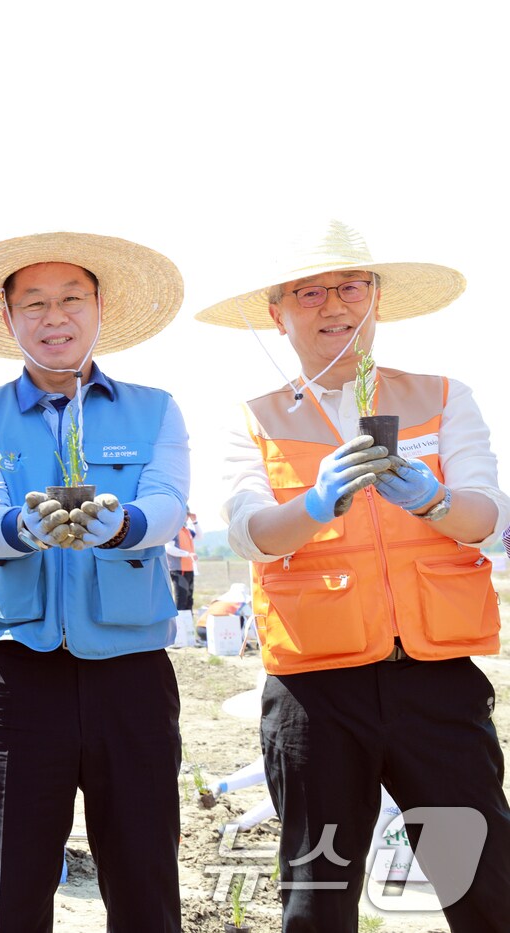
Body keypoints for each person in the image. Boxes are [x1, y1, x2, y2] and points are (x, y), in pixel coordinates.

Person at [199, 219, 510, 932]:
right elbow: (250, 531)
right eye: (309, 292)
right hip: (315, 696)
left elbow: (490, 517)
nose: (333, 305)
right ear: (276, 313)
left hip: (436, 684)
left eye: (350, 287)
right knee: (319, 896)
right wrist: (314, 504)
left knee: (485, 888)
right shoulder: (254, 418)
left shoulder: (443, 395)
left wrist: (433, 499)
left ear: (376, 299)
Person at [0, 231, 189, 932]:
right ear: (8, 317)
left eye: (72, 299)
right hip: (18, 671)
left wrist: (123, 523)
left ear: (101, 308)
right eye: (35, 303)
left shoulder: (155, 407)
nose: (55, 318)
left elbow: (168, 501)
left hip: (131, 670)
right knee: (14, 884)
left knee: (144, 877)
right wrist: (25, 526)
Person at [165, 509, 199, 613]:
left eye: (187, 514)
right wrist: (188, 554)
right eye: (185, 514)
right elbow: (168, 548)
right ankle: (179, 623)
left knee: (189, 600)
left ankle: (188, 622)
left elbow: (199, 536)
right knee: (181, 600)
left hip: (189, 569)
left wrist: (195, 522)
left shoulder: (186, 530)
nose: (187, 517)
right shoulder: (173, 529)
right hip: (178, 569)